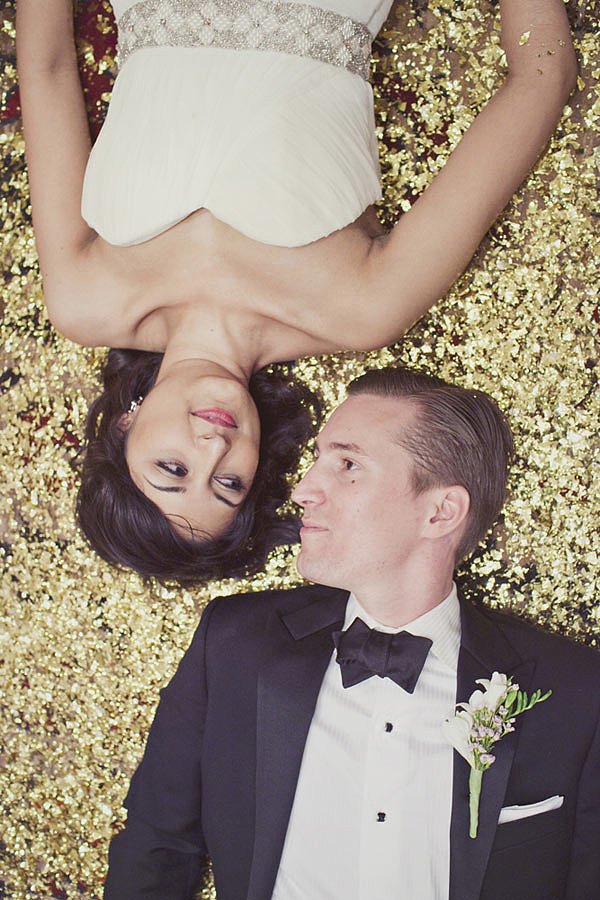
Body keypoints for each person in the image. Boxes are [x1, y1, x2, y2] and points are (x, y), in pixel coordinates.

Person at [16, 1, 577, 582]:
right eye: (229, 483)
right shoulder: (362, 310)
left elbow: (47, 69)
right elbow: (542, 77)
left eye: (172, 468)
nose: (213, 446)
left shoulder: (84, 300)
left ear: (124, 428)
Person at [103, 366, 600, 900]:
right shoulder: (233, 645)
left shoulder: (577, 692)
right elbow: (154, 852)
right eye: (317, 460)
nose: (303, 491)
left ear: (440, 513)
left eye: (347, 465)